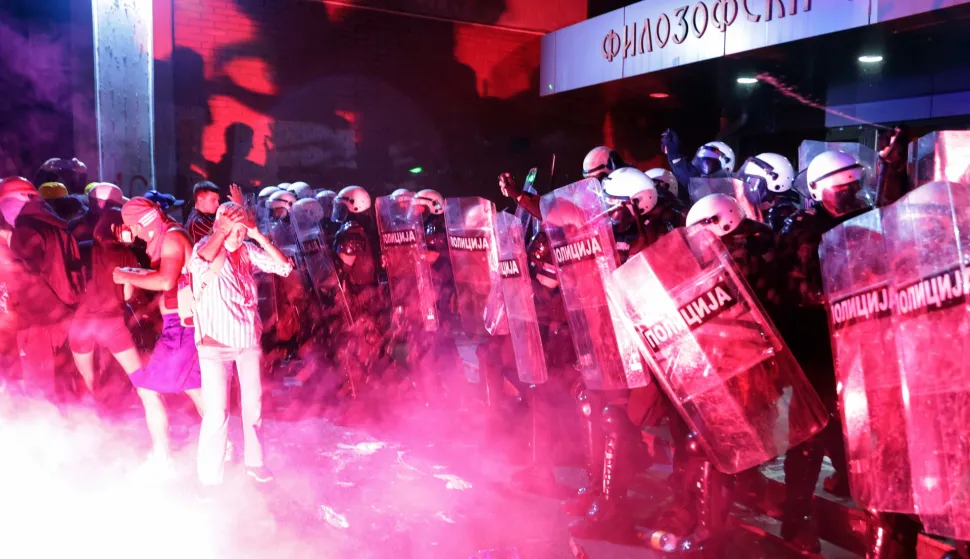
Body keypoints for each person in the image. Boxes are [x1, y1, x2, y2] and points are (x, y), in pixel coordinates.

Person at [776, 149, 873, 553]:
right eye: (841, 189)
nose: (850, 195)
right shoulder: (803, 229)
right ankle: (793, 520)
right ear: (818, 192)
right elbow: (798, 291)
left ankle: (854, 484)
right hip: (815, 344)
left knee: (854, 422)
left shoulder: (869, 221)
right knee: (810, 433)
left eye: (854, 187)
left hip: (860, 339)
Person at [190, 202, 293, 487]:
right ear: (218, 226)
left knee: (253, 407)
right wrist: (220, 233)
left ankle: (255, 462)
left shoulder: (247, 250)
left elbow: (284, 267)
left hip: (247, 341)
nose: (236, 236)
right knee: (216, 413)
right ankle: (209, 479)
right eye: (230, 230)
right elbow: (198, 266)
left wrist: (257, 234)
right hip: (215, 345)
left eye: (240, 230)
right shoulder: (205, 247)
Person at [115, 197, 206, 475]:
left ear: (143, 222)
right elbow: (169, 275)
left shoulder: (170, 238)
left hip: (181, 328)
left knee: (148, 389)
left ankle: (162, 458)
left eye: (135, 227)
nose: (138, 235)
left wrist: (124, 276)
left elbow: (165, 281)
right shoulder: (172, 233)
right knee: (196, 389)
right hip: (184, 324)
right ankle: (222, 447)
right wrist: (137, 272)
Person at [1, 176, 84, 401]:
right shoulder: (55, 226)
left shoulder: (25, 230)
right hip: (64, 317)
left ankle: (49, 432)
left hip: (37, 323)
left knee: (40, 390)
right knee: (62, 385)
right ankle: (78, 429)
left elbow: (24, 281)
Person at [68, 208, 141, 399]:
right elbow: (126, 295)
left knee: (88, 378)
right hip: (111, 323)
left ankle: (95, 419)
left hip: (81, 323)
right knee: (138, 376)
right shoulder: (126, 254)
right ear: (114, 227)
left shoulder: (82, 248)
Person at [738, 153, 800, 232]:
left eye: (753, 182)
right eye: (746, 180)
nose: (746, 187)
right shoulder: (749, 207)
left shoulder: (780, 216)